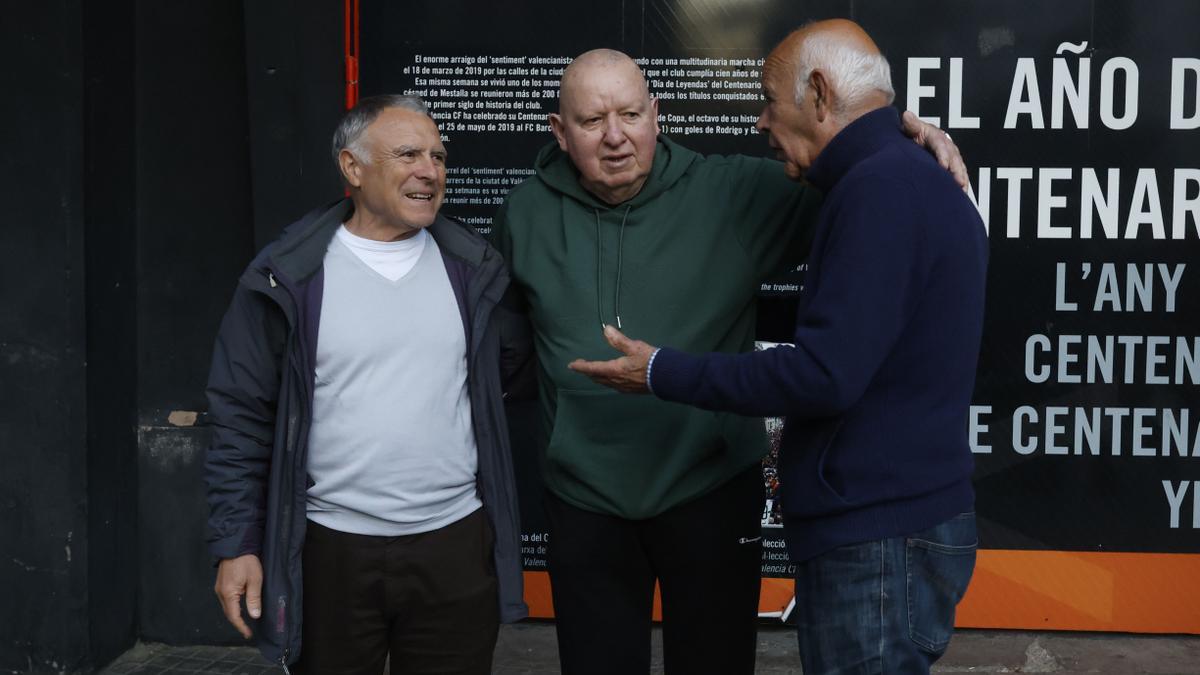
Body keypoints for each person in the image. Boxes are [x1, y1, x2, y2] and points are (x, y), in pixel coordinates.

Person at [493, 48, 967, 674]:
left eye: (631, 114)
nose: (615, 137)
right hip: (584, 500)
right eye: (591, 121)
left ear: (657, 115)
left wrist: (905, 133)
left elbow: (863, 180)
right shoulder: (525, 213)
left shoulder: (734, 192)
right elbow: (507, 340)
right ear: (559, 131)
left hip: (707, 489)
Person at [204, 94, 529, 674]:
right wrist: (238, 543)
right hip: (330, 549)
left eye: (438, 156)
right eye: (407, 154)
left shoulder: (475, 271)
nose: (430, 171)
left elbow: (508, 378)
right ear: (352, 168)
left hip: (453, 544)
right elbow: (241, 416)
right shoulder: (289, 276)